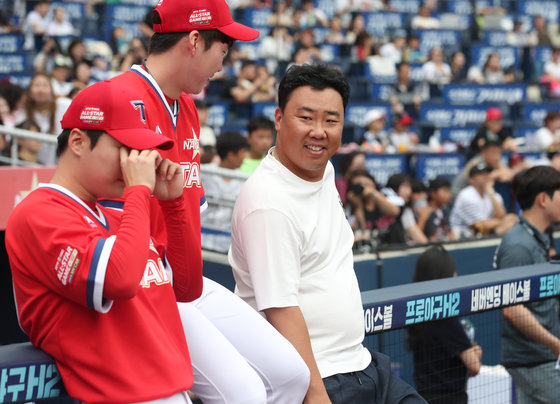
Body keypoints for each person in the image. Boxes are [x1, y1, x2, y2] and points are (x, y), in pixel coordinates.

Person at [110, 0, 310, 402]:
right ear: (196, 40)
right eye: (224, 48)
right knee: (247, 394)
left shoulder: (186, 105)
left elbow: (187, 214)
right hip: (142, 286)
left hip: (182, 279)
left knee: (292, 375)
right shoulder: (118, 100)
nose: (224, 62)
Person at [229, 63, 426, 403]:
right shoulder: (268, 202)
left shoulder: (322, 167)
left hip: (362, 363)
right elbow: (281, 310)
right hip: (320, 378)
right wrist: (316, 395)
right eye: (305, 118)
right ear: (279, 119)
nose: (318, 131)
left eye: (330, 120)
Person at [5, 81, 200, 403]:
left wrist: (173, 203)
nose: (136, 162)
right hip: (120, 395)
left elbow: (187, 288)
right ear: (79, 142)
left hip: (170, 389)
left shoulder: (118, 216)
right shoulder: (38, 213)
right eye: (127, 149)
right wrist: (139, 192)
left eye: (142, 152)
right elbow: (119, 280)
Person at [494, 165, 560, 403]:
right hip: (534, 359)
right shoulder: (518, 246)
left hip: (540, 356)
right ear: (543, 199)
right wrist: (555, 344)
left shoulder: (536, 237)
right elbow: (513, 309)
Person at [408, 245, 482, 404]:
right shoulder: (447, 321)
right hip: (451, 399)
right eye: (453, 274)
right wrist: (475, 354)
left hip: (424, 397)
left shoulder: (418, 314)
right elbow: (474, 367)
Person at [201, 131, 248, 253]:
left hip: (226, 247)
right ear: (231, 154)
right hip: (201, 241)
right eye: (242, 153)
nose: (244, 157)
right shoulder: (204, 172)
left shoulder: (245, 179)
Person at [16, 72, 72, 166]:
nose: (40, 90)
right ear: (30, 90)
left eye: (45, 85)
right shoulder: (23, 112)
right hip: (33, 165)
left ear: (51, 89)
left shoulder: (64, 105)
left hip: (61, 163)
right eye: (36, 85)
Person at [450, 163, 517, 238]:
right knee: (509, 224)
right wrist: (502, 222)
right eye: (481, 174)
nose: (486, 177)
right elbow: (482, 225)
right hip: (463, 237)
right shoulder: (466, 195)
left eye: (487, 174)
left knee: (512, 218)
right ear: (471, 180)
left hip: (482, 234)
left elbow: (501, 215)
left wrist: (490, 191)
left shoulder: (491, 193)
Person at [424, 176, 454, 241]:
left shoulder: (445, 211)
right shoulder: (425, 211)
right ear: (433, 193)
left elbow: (448, 232)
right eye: (445, 190)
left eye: (449, 191)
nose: (449, 195)